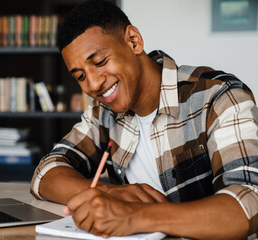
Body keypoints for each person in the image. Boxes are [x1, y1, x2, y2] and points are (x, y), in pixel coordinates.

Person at [30, 0, 258, 239]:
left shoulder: (218, 96)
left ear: (133, 41)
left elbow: (249, 201)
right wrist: (108, 192)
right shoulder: (103, 114)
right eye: (80, 76)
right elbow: (45, 172)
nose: (94, 84)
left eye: (100, 62)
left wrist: (134, 216)